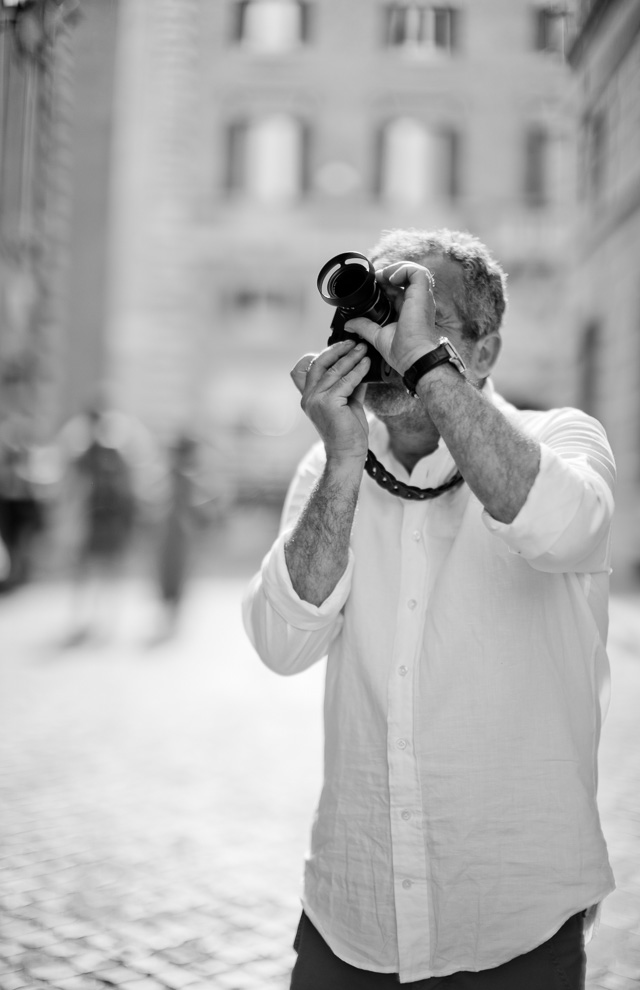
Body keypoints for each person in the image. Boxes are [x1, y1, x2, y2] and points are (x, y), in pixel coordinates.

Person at [242, 228, 616, 989]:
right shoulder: (329, 463)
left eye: (423, 320)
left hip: (515, 923)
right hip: (352, 921)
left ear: (483, 352)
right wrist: (346, 458)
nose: (392, 342)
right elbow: (283, 643)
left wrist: (429, 373)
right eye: (383, 317)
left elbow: (562, 525)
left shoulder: (559, 439)